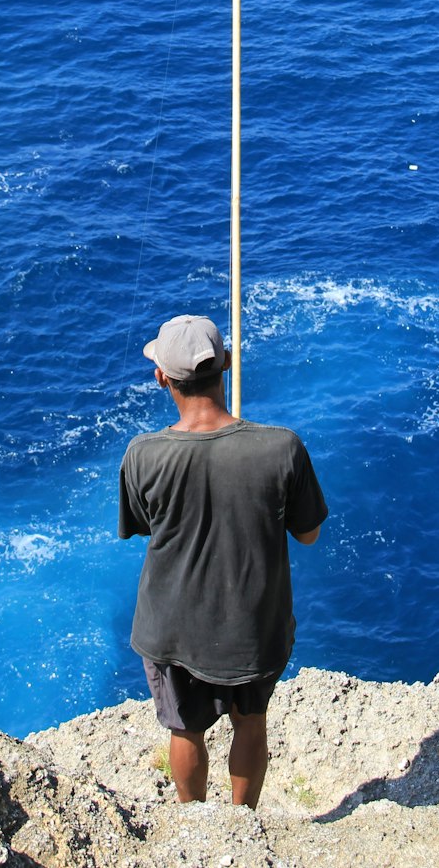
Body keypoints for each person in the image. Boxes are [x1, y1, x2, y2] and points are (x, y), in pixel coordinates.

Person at [118, 313, 328, 809]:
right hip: (254, 626)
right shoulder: (282, 447)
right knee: (251, 723)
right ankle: (242, 823)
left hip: (171, 629)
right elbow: (309, 534)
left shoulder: (142, 454)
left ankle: (195, 827)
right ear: (227, 365)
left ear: (161, 378)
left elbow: (146, 526)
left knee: (184, 730)